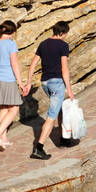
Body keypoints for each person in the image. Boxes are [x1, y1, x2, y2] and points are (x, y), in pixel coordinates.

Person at [27, 20, 74, 160]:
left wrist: (29, 82)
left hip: (45, 82)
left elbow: (33, 64)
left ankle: (64, 139)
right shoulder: (63, 46)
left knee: (59, 108)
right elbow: (64, 69)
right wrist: (69, 90)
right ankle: (39, 148)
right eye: (65, 34)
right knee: (52, 116)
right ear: (62, 33)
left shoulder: (43, 44)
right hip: (56, 83)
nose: (66, 36)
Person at [0, 20, 29, 150]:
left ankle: (3, 139)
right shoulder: (11, 44)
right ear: (13, 32)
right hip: (7, 79)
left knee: (3, 109)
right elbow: (14, 64)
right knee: (14, 108)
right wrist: (20, 82)